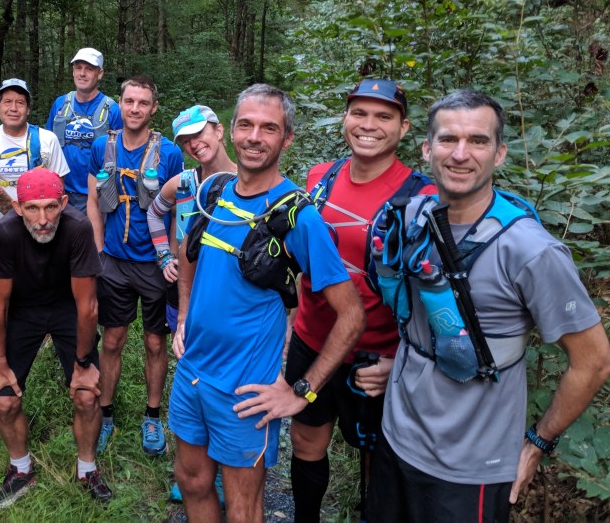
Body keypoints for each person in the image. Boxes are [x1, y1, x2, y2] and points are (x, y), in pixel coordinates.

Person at [365, 89, 610, 523]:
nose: (461, 154)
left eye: (478, 141)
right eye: (447, 140)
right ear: (426, 149)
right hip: (396, 439)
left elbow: (593, 362)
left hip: (471, 468)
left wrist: (538, 443)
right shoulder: (413, 218)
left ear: (499, 154)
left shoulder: (530, 251)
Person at [170, 84, 364, 523]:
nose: (255, 136)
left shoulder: (298, 215)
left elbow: (352, 315)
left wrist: (303, 391)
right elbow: (189, 254)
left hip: (244, 390)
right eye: (246, 125)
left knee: (243, 507)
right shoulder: (215, 190)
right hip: (192, 373)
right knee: (192, 481)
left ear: (286, 138)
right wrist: (183, 317)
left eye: (269, 128)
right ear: (231, 131)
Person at [286, 78, 435, 523]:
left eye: (383, 116)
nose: (368, 125)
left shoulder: (421, 197)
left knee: (376, 458)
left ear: (404, 128)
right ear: (345, 118)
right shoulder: (319, 178)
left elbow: (434, 293)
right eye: (359, 113)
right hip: (312, 339)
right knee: (306, 444)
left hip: (377, 357)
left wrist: (405, 361)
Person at [0, 168, 112, 509]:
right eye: (33, 208)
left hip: (68, 308)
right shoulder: (5, 234)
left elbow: (87, 306)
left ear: (64, 203)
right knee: (5, 397)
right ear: (19, 207)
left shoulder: (78, 227)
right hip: (23, 310)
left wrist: (83, 364)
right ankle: (20, 470)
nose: (43, 219)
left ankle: (87, 469)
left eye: (51, 207)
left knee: (86, 395)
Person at [87, 75, 184, 456]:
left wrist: (171, 257)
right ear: (120, 104)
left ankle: (152, 415)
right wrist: (98, 250)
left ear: (154, 108)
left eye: (143, 103)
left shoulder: (170, 153)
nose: (135, 109)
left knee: (155, 341)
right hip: (114, 260)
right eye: (129, 101)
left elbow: (177, 209)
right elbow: (94, 199)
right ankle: (105, 413)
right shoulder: (102, 146)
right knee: (111, 339)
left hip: (154, 264)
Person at [147, 104, 236, 505]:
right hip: (182, 294)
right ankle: (194, 468)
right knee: (190, 377)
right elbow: (154, 213)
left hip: (226, 299)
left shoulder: (245, 182)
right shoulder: (182, 183)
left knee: (224, 384)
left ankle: (220, 473)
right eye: (185, 140)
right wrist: (165, 256)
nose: (194, 144)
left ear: (220, 131)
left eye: (200, 134)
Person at [0, 78, 69, 220]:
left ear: (28, 109)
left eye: (20, 103)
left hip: (38, 224)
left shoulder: (47, 139)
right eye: (7, 101)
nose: (13, 108)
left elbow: (58, 189)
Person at [46, 47, 123, 213]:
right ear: (73, 72)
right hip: (60, 192)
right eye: (78, 68)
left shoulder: (112, 110)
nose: (82, 73)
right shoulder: (60, 104)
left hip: (96, 194)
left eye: (89, 69)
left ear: (99, 73)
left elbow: (122, 154)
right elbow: (48, 148)